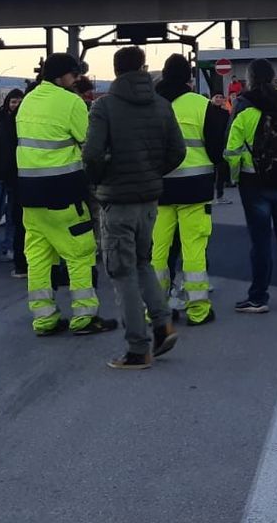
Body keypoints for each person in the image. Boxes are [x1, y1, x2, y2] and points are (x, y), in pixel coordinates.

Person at [84, 45, 186, 370]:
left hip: (117, 201)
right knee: (142, 263)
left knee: (122, 272)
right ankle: (163, 324)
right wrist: (152, 173)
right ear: (143, 68)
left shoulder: (104, 107)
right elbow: (178, 151)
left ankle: (138, 349)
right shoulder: (161, 104)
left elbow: (91, 154)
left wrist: (100, 180)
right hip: (149, 200)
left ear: (115, 70)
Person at [16, 54, 117, 337]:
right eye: (74, 75)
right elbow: (91, 144)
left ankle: (44, 318)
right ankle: (84, 316)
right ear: (61, 76)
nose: (77, 80)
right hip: (63, 191)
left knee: (38, 256)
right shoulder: (71, 102)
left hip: (29, 193)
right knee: (80, 252)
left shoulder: (28, 101)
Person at [224, 58, 277, 313]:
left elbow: (231, 151)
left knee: (260, 243)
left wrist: (237, 175)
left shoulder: (244, 109)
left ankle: (258, 297)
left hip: (254, 183)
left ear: (250, 79)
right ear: (274, 78)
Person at [152, 53, 229, 325]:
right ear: (189, 78)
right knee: (193, 248)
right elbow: (217, 150)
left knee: (158, 250)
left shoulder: (151, 104)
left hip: (159, 189)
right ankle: (198, 310)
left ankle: (156, 309)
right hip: (195, 188)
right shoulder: (201, 105)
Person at [0, 88, 26, 277]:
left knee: (13, 217)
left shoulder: (6, 124)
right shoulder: (4, 123)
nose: (16, 105)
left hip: (13, 176)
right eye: (13, 101)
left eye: (19, 101)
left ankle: (10, 248)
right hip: (12, 176)